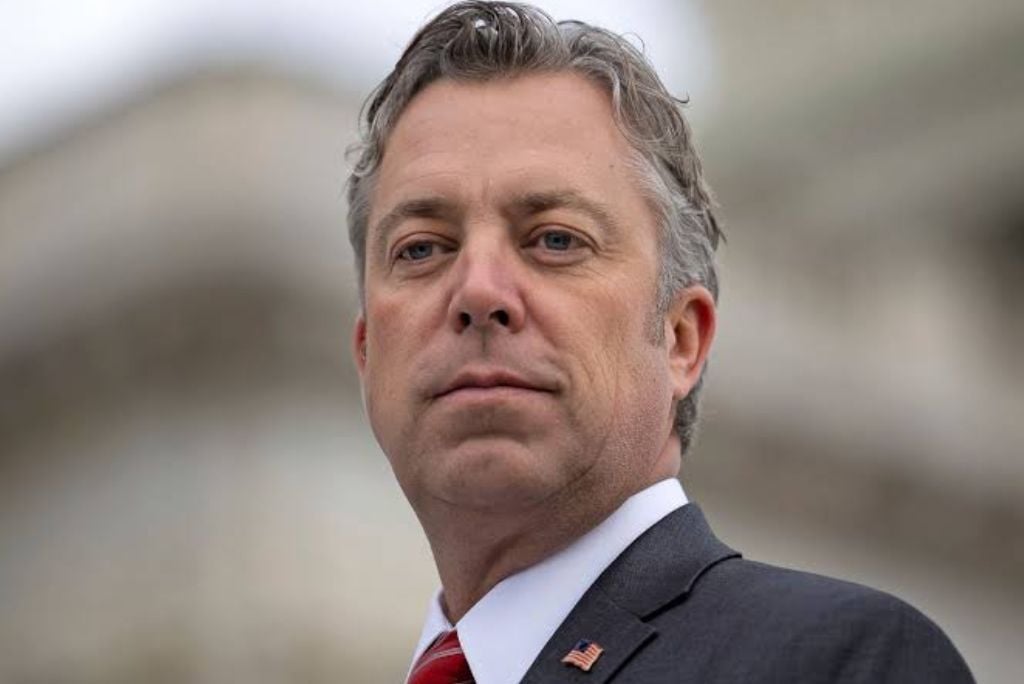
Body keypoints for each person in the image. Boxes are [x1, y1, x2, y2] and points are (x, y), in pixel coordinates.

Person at [345, 2, 974, 682]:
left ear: (680, 340)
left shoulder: (845, 661)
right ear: (367, 352)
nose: (478, 291)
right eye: (421, 249)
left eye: (555, 239)